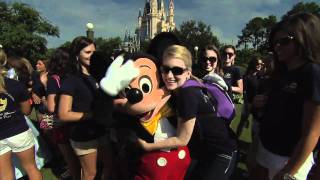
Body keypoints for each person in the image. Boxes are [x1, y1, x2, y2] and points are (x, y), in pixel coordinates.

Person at [139, 45, 238, 180]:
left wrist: (147, 146)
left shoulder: (187, 93)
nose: (169, 75)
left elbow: (182, 139)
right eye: (165, 69)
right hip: (204, 152)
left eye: (177, 71)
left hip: (222, 153)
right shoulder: (188, 87)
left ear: (188, 72)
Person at [249, 13, 320, 180]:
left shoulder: (312, 73)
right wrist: (258, 106)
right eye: (275, 43)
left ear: (304, 39)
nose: (277, 46)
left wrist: (288, 172)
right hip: (264, 151)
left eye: (284, 41)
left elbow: (312, 133)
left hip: (287, 160)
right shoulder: (281, 74)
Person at [58, 36, 104, 180]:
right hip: (83, 134)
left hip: (100, 130)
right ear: (77, 54)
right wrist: (91, 115)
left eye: (93, 52)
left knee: (109, 165)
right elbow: (64, 114)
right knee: (90, 173)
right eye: (87, 52)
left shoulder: (96, 75)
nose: (92, 56)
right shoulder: (71, 78)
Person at [0, 50, 42, 180]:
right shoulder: (14, 84)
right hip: (19, 131)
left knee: (5, 174)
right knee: (31, 167)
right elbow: (26, 110)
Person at [43, 47, 81, 180]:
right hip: (77, 120)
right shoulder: (76, 76)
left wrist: (44, 97)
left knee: (70, 157)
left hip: (62, 123)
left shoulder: (53, 79)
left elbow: (52, 107)